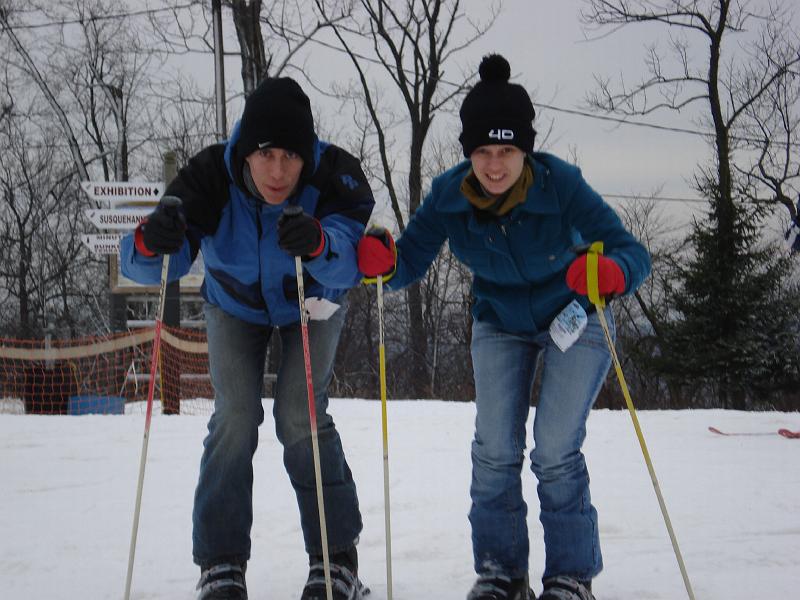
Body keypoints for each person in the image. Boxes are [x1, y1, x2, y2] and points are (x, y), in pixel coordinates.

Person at [357, 54, 651, 600]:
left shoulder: (561, 184)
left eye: (508, 151)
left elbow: (635, 253)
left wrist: (611, 272)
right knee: (494, 449)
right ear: (469, 153)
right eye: (484, 152)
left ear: (526, 150)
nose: (495, 165)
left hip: (574, 316)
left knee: (555, 448)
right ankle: (500, 573)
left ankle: (570, 577)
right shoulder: (449, 194)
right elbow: (410, 260)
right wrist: (381, 264)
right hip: (499, 321)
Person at [120, 76, 374, 600]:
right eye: (266, 154)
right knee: (235, 417)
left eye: (290, 156)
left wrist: (320, 242)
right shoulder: (210, 177)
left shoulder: (334, 176)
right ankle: (221, 562)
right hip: (233, 304)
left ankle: (335, 559)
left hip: (311, 298)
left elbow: (352, 261)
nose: (278, 171)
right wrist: (152, 239)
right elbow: (149, 263)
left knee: (301, 416)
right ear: (246, 151)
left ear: (307, 156)